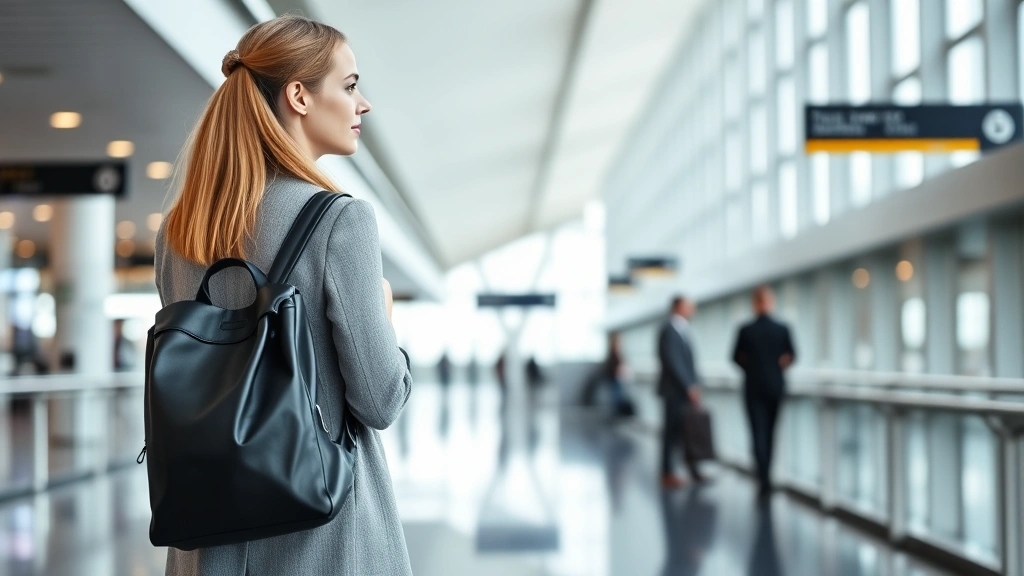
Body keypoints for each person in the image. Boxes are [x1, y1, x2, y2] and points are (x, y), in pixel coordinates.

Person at [154, 15, 414, 576]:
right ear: (298, 95)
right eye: (348, 86)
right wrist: (386, 320)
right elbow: (379, 400)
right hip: (322, 538)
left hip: (204, 544)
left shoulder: (178, 232)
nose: (362, 104)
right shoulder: (341, 222)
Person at [732, 285, 796, 498]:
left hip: (753, 388)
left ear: (754, 304)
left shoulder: (745, 330)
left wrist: (751, 368)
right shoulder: (782, 328)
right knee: (770, 433)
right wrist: (777, 367)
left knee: (757, 433)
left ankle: (763, 480)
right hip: (775, 387)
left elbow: (735, 357)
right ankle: (767, 478)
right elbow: (791, 356)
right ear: (770, 302)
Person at [658, 296, 705, 487]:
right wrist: (689, 386)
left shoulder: (682, 329)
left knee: (687, 431)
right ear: (678, 307)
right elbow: (673, 362)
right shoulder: (669, 329)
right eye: (688, 306)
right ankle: (667, 472)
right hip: (674, 391)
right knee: (672, 433)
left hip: (682, 390)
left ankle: (693, 469)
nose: (692, 309)